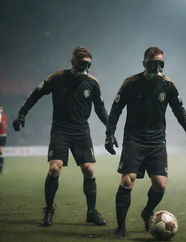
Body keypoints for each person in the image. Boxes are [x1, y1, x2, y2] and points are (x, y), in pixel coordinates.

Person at [105, 46, 186, 238]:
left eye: (160, 64)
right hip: (134, 138)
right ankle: (121, 227)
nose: (157, 67)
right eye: (153, 63)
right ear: (144, 64)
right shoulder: (131, 83)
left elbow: (179, 111)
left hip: (157, 140)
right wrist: (110, 133)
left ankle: (147, 211)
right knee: (127, 180)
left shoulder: (168, 85)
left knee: (160, 184)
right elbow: (116, 109)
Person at [13, 46, 112, 226]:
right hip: (61, 129)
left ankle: (91, 212)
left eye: (88, 65)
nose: (85, 68)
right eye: (82, 64)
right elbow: (36, 93)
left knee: (89, 169)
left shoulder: (92, 82)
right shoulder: (57, 78)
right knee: (54, 168)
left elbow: (100, 108)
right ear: (73, 62)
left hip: (81, 130)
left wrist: (110, 130)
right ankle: (49, 210)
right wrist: (22, 113)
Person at [0, 106, 7, 174]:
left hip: (2, 136)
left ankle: (1, 169)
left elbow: (4, 126)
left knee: (1, 152)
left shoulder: (4, 117)